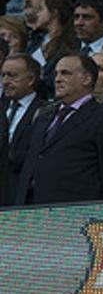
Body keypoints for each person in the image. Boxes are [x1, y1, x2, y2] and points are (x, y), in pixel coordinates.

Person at [15, 52, 103, 204]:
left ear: (87, 79)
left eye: (65, 73)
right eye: (56, 74)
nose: (57, 79)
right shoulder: (43, 117)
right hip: (33, 210)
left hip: (75, 215)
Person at [1, 53, 45, 197]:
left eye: (12, 76)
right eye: (3, 75)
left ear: (31, 79)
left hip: (23, 193)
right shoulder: (2, 107)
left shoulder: (46, 111)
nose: (5, 81)